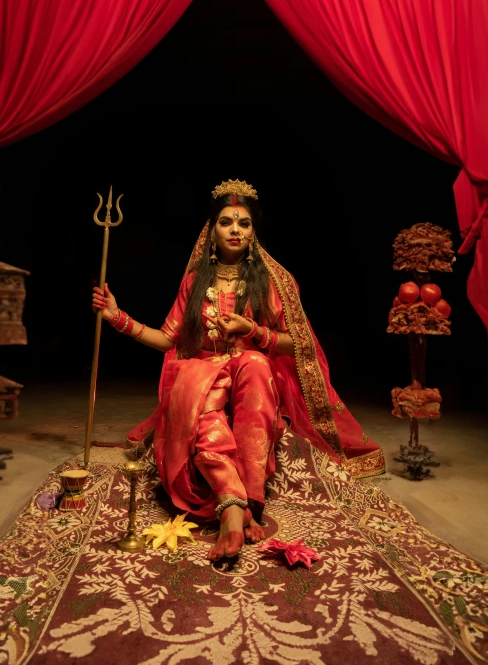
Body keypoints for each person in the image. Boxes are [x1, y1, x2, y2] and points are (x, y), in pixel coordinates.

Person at [92, 179, 384, 561]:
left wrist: (253, 332)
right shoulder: (196, 282)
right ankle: (233, 509)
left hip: (253, 375)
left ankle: (249, 497)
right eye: (227, 222)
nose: (235, 230)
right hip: (203, 375)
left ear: (253, 233)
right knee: (201, 382)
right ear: (211, 233)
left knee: (255, 363)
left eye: (243, 224)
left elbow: (297, 343)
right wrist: (118, 318)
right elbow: (167, 339)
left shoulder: (270, 282)